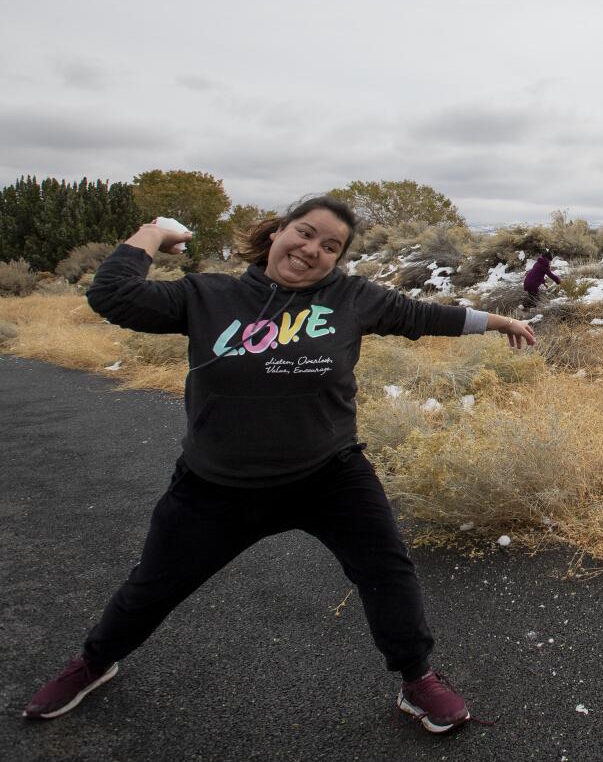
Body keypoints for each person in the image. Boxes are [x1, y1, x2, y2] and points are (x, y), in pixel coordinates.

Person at [22, 196, 535, 734]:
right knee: (153, 586)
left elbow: (422, 314)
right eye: (305, 233)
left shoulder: (350, 298)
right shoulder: (208, 296)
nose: (312, 250)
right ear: (277, 233)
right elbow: (114, 295)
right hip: (217, 484)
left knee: (387, 571)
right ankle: (94, 663)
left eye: (330, 246)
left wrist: (495, 320)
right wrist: (154, 232)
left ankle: (416, 678)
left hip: (329, 474)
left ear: (337, 260)